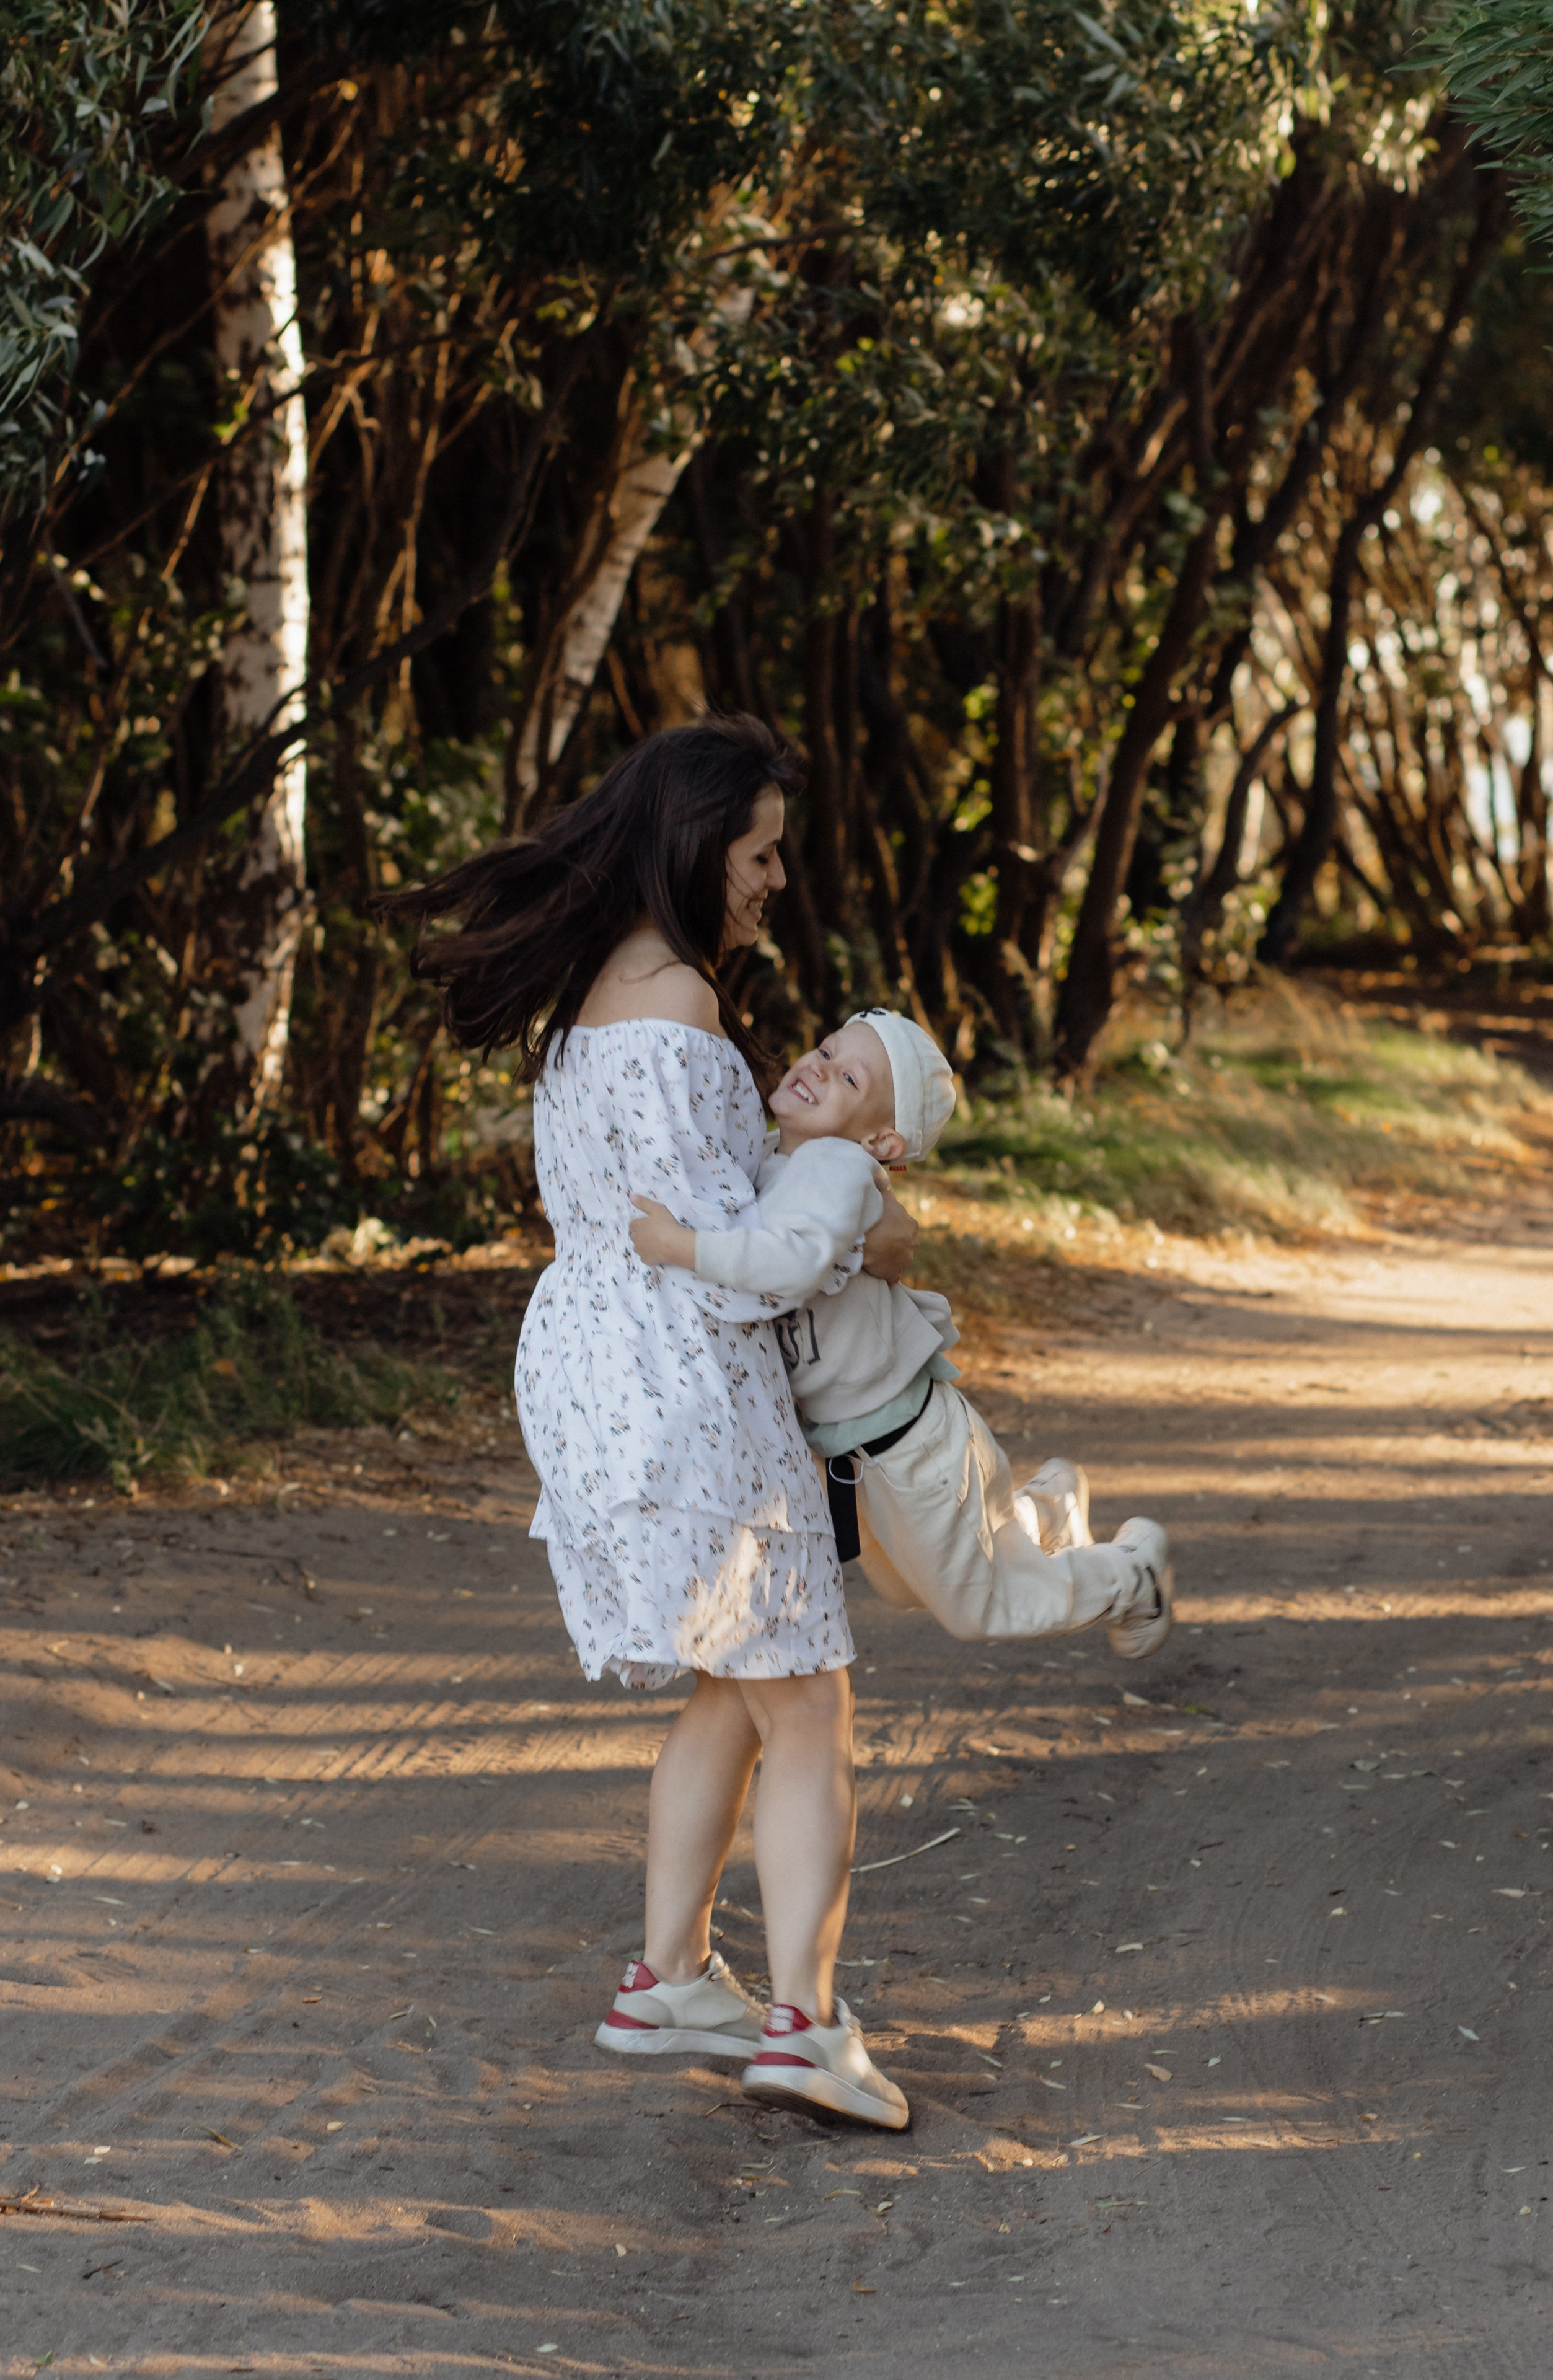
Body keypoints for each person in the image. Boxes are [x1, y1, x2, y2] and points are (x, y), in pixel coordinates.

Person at [383, 716, 913, 2129]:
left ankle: (669, 1981)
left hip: (593, 1374)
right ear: (693, 845)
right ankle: (806, 2026)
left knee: (733, 1684)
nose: (775, 881)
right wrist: (863, 1221)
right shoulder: (679, 1003)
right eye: (759, 854)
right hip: (684, 1385)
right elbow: (739, 1262)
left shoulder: (591, 992)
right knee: (809, 1701)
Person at [629, 1008, 1174, 1654]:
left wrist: (678, 1246)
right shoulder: (777, 1158)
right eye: (825, 1051)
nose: (820, 1069)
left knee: (981, 1609)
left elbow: (790, 1262)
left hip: (909, 1446)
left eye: (848, 1079)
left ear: (882, 1141)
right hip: (872, 1447)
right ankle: (1045, 1514)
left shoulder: (835, 1166)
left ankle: (1132, 1576)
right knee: (907, 1585)